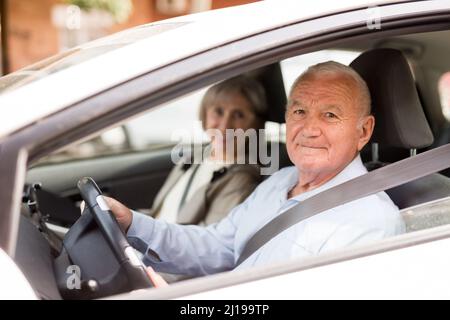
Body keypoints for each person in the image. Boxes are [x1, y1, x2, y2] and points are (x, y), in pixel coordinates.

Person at [105, 61, 405, 278]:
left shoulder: (370, 222)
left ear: (363, 131)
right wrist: (133, 225)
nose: (309, 129)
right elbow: (216, 245)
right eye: (300, 111)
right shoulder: (279, 181)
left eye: (329, 115)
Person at [149, 75, 268, 226]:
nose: (225, 126)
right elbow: (161, 214)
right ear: (205, 115)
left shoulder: (242, 179)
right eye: (218, 111)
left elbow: (204, 243)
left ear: (256, 125)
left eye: (239, 115)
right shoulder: (192, 157)